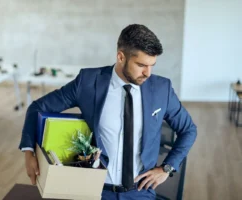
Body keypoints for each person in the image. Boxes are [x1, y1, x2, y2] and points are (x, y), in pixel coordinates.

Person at [19, 24, 197, 200]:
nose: (148, 73)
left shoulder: (161, 89)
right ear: (121, 57)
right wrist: (29, 153)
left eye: (152, 65)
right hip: (95, 189)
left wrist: (167, 168)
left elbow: (188, 129)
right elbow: (38, 107)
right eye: (141, 65)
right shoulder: (88, 82)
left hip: (140, 191)